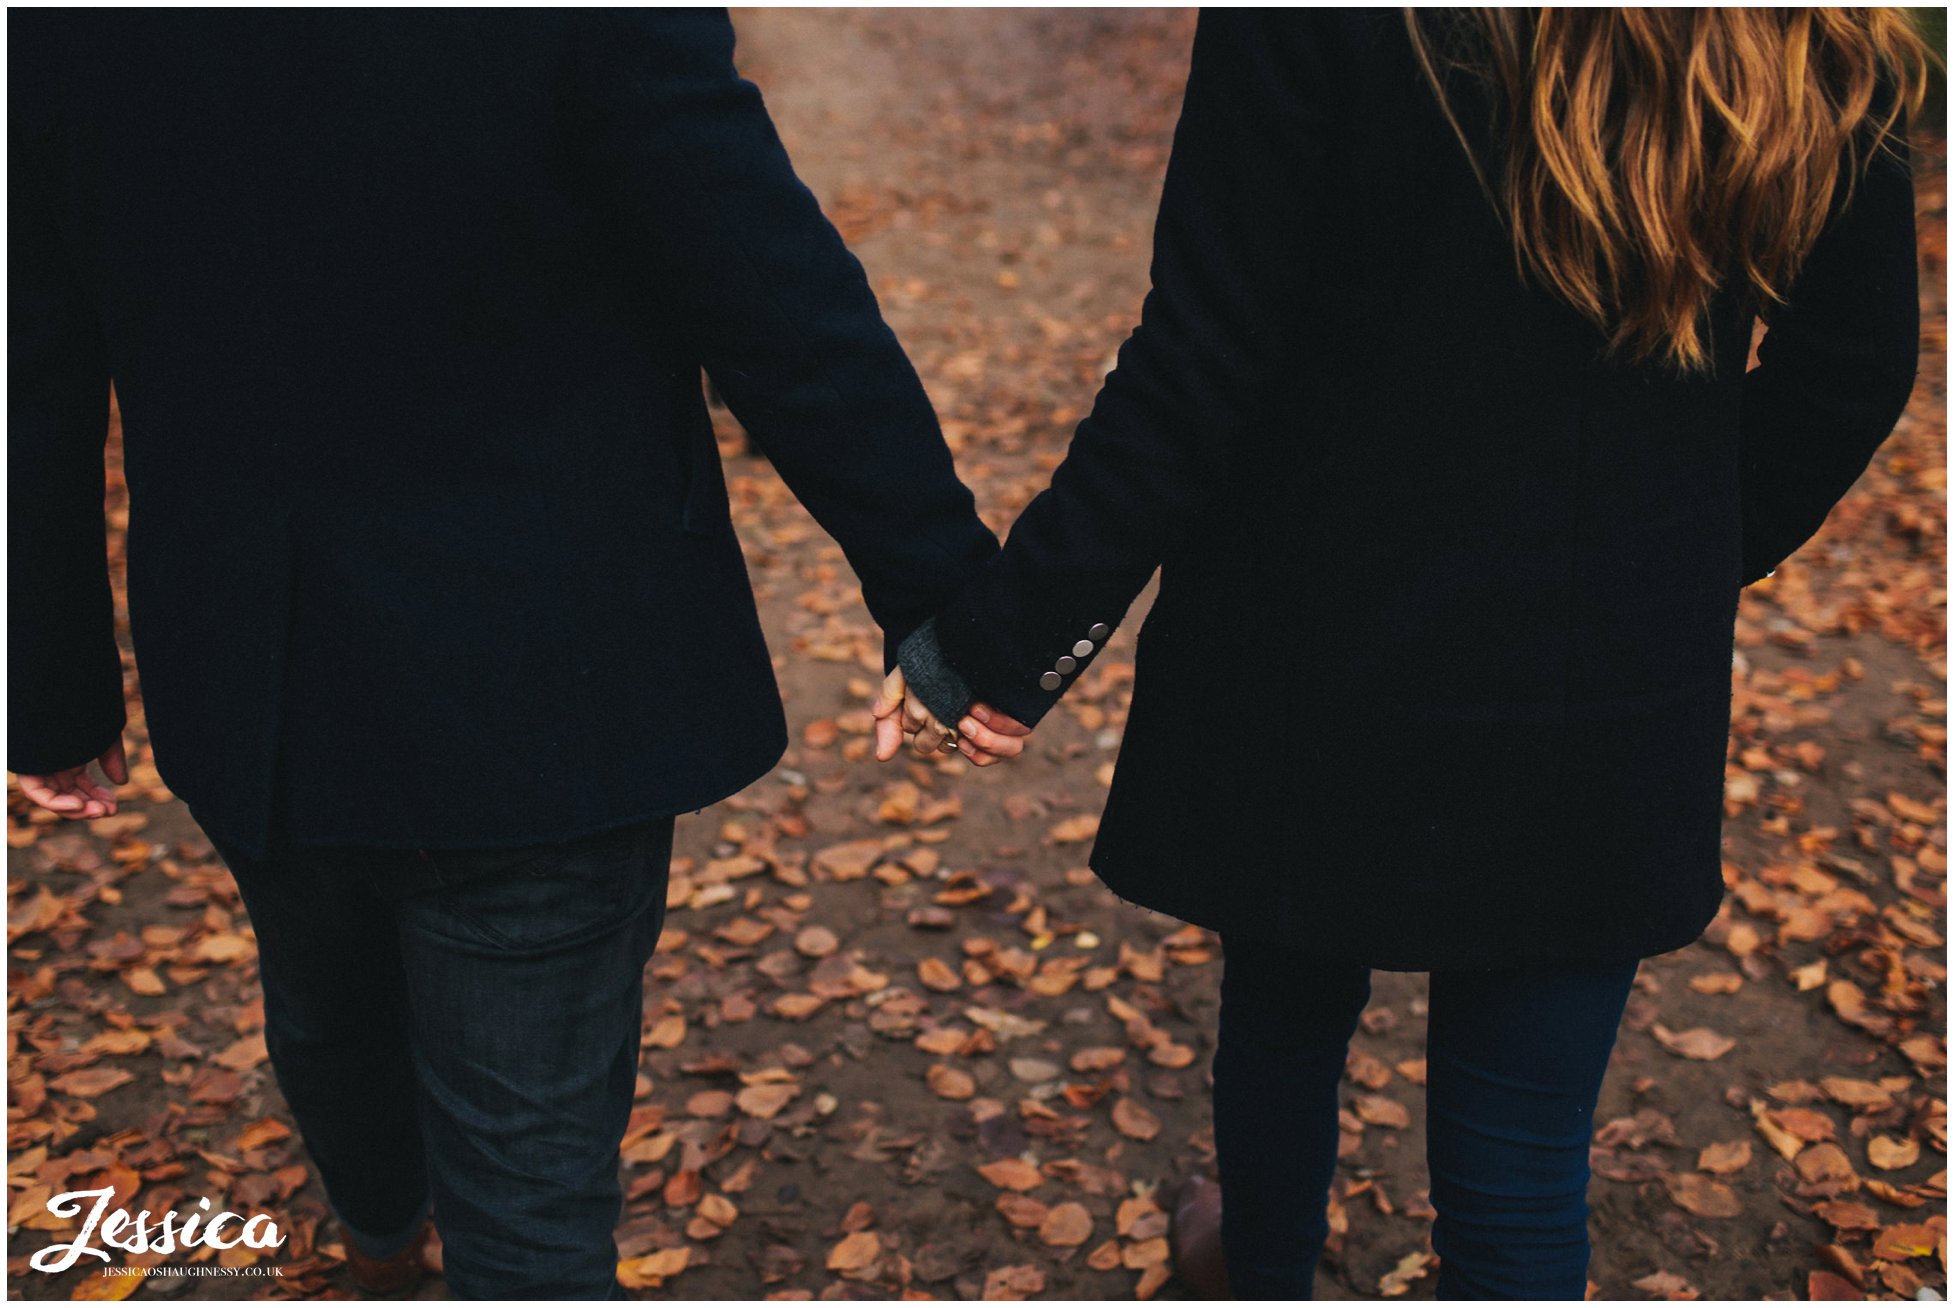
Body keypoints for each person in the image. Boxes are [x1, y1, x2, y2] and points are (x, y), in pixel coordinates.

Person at [876, 9, 1928, 1298]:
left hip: (1318, 631)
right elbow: (1857, 360)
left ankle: (1258, 1265)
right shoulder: (1804, 20)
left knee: (1284, 992)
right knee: (1519, 1164)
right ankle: (1260, 1256)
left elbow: (1204, 357)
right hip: (1589, 675)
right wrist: (1664, 564)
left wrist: (1005, 637)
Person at [10, 10, 996, 1298]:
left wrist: (49, 681)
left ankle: (380, 1233)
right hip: (545, 676)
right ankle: (390, 1232)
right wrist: (950, 599)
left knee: (325, 1005)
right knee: (519, 1165)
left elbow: (32, 348)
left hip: (254, 663)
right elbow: (768, 289)